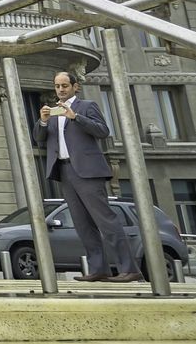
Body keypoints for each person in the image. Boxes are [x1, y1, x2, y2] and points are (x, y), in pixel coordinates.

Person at [36, 70, 141, 282]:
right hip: (64, 171)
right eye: (57, 86)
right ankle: (98, 269)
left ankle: (129, 269)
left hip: (88, 172)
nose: (61, 90)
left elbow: (102, 131)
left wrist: (76, 118)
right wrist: (44, 122)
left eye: (65, 85)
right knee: (82, 224)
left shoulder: (86, 106)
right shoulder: (53, 112)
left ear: (75, 86)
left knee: (106, 221)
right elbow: (39, 139)